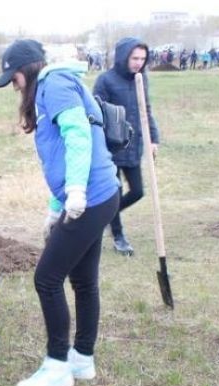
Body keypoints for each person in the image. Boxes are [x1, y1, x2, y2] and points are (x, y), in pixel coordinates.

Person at [0, 40, 119, 386]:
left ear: (28, 69)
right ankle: (82, 358)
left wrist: (77, 191)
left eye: (14, 77)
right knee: (83, 280)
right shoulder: (53, 87)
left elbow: (78, 135)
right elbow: (60, 158)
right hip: (99, 193)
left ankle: (57, 366)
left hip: (92, 196)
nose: (14, 86)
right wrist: (56, 206)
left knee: (47, 278)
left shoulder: (55, 85)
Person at [93, 37, 160, 256]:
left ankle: (104, 217)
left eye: (142, 58)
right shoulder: (106, 80)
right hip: (110, 148)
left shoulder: (142, 79)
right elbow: (96, 113)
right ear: (124, 57)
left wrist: (153, 139)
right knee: (114, 193)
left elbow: (146, 110)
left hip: (134, 146)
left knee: (138, 191)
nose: (138, 62)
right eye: (134, 58)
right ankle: (119, 236)